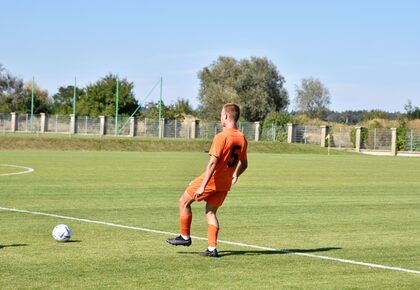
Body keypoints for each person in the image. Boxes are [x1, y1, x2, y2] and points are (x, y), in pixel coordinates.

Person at [166, 103, 248, 257]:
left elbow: (212, 163)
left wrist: (202, 186)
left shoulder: (221, 136)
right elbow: (244, 164)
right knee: (210, 212)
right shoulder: (242, 138)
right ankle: (212, 249)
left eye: (221, 114)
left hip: (212, 180)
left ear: (225, 116)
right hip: (224, 184)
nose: (220, 117)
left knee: (183, 202)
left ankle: (185, 237)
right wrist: (236, 174)